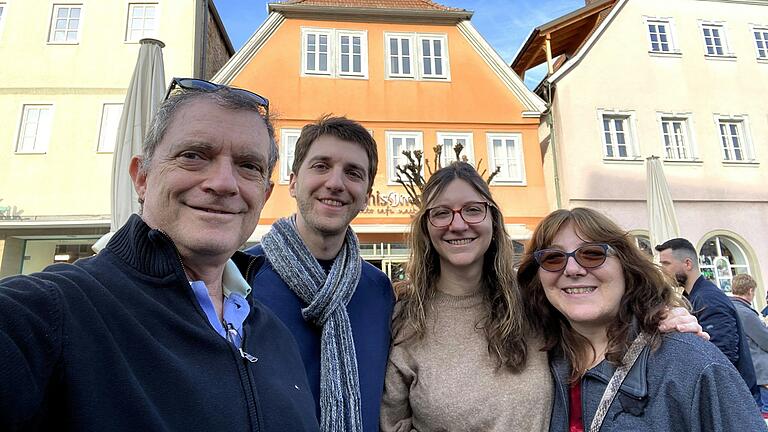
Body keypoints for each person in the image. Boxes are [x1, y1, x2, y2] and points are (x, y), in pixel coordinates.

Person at [0, 80, 319, 431]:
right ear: (142, 177)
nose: (225, 183)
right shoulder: (51, 312)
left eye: (248, 166)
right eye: (194, 156)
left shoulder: (275, 335)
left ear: (265, 193)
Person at [379, 164, 703, 431]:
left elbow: (600, 311)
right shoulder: (405, 318)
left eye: (473, 210)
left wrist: (660, 314)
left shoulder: (534, 301)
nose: (458, 224)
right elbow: (390, 423)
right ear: (426, 226)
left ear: (493, 220)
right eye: (441, 213)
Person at [517, 207, 766, 431]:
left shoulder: (691, 364)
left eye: (592, 254)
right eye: (553, 258)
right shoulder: (535, 362)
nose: (572, 269)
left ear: (626, 266)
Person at [246, 116, 394, 432]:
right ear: (294, 182)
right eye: (321, 166)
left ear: (366, 196)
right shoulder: (239, 279)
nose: (336, 183)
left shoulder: (380, 290)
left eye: (353, 173)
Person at [656, 238, 759, 399]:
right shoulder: (692, 298)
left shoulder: (708, 299)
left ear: (688, 264)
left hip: (730, 398)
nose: (662, 270)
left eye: (666, 264)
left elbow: (722, 355)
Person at [731, 273, 768, 417]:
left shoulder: (732, 307)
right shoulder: (745, 312)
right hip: (761, 372)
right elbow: (765, 340)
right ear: (750, 291)